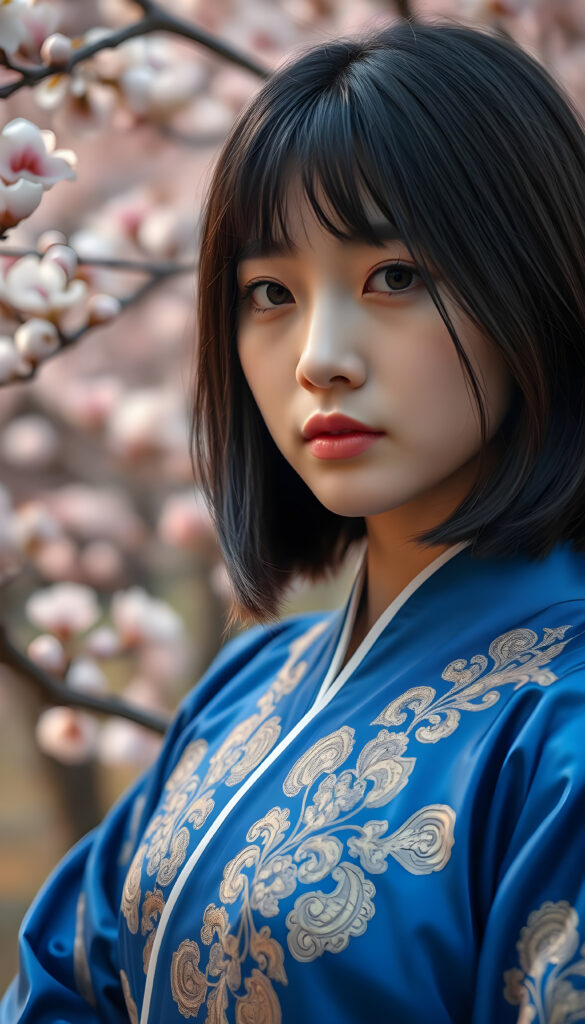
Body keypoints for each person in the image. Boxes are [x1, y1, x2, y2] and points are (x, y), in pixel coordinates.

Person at [3, 17, 585, 1024]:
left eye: (394, 277)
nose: (320, 356)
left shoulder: (562, 729)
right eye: (270, 292)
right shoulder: (245, 685)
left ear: (534, 283)